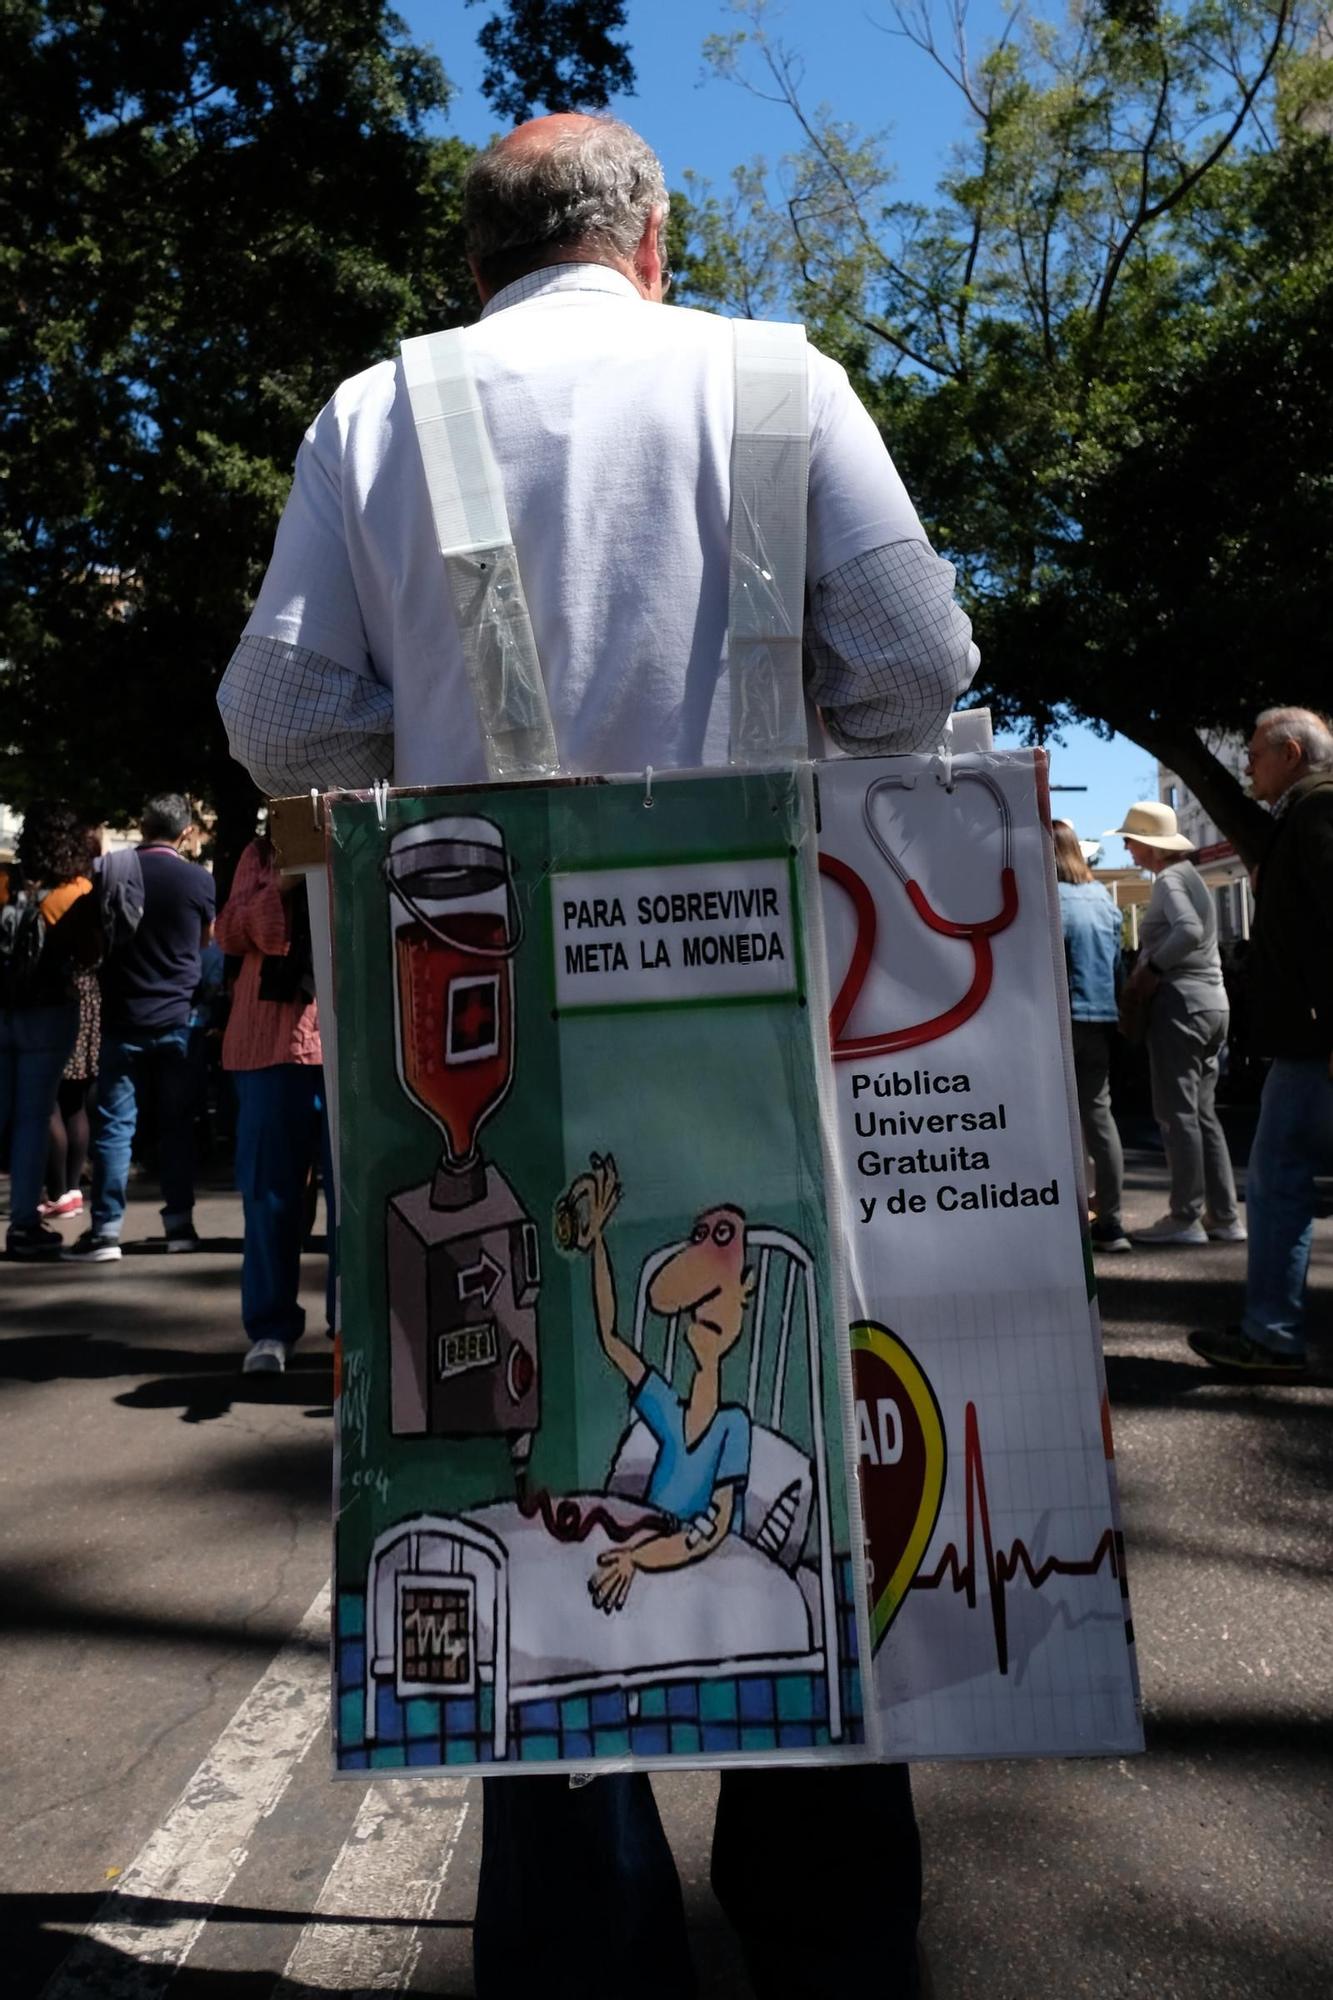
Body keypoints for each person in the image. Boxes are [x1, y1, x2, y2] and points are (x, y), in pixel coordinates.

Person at [219, 112, 976, 2000]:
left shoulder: (380, 408)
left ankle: (581, 1951)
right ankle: (828, 1944)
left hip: (474, 1025)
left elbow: (286, 716)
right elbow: (910, 661)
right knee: (794, 1423)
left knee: (510, 1466)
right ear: (654, 240)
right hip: (762, 1019)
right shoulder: (778, 381)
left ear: (474, 260)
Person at [1189, 708, 1333, 1375]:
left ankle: (1271, 1332)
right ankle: (1269, 1327)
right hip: (1308, 1039)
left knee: (1277, 1181)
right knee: (1280, 1178)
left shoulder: (1315, 814)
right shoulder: (1305, 814)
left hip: (1314, 1043)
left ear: (1290, 752)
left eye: (1253, 753)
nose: (1245, 764)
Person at [63, 795, 216, 1262]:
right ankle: (179, 1226)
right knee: (176, 1127)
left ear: (143, 826)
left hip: (122, 1018)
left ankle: (106, 1231)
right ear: (186, 832)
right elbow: (208, 943)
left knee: (115, 1129)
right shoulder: (197, 880)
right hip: (179, 1021)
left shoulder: (112, 871)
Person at [214, 832, 333, 1375]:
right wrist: (282, 882)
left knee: (354, 1203)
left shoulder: (372, 828)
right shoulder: (262, 851)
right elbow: (228, 933)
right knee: (269, 1196)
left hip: (347, 1044)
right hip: (270, 1046)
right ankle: (269, 1328)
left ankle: (353, 1324)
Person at [1106, 800, 1243, 1248]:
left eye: (1130, 840)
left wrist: (1152, 969)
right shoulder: (1190, 876)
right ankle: (1222, 1215)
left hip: (1181, 1004)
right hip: (1212, 1002)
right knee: (1203, 1114)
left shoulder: (1168, 879)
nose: (1126, 848)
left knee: (1176, 1112)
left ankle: (1185, 1213)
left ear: (1149, 844)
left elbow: (1184, 930)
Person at [1, 801, 96, 1258]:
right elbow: (90, 955)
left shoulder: (5, 882)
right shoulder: (77, 890)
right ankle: (23, 1224)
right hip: (49, 1010)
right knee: (32, 1120)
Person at [1053, 820, 1128, 1253]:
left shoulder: (1050, 898)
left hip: (1061, 1020)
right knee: (1100, 1118)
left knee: (1058, 1120)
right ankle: (1113, 1220)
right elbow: (1117, 965)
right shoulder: (1103, 898)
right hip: (1101, 1020)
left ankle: (1069, 1217)